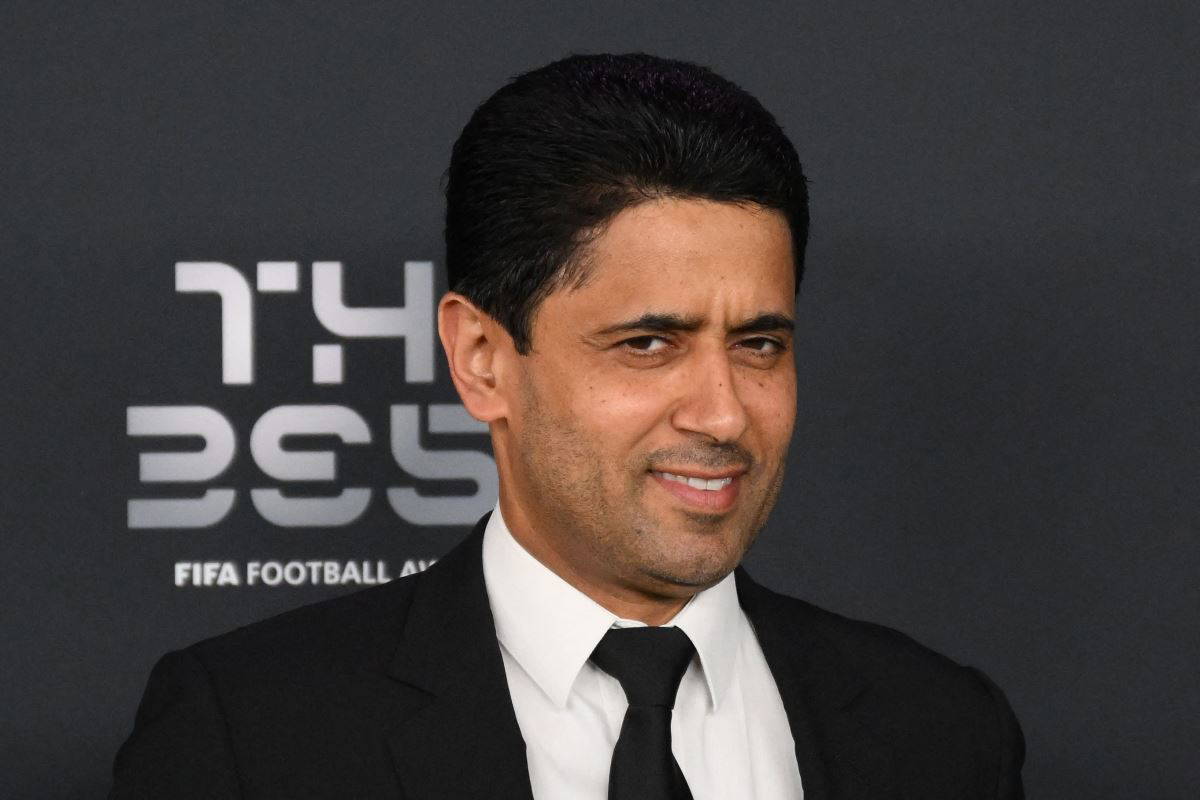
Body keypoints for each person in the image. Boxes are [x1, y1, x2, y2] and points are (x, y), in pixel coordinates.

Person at [109, 53, 1025, 799]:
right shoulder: (251, 738)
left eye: (758, 344)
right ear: (481, 359)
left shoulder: (942, 733)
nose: (723, 413)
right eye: (647, 344)